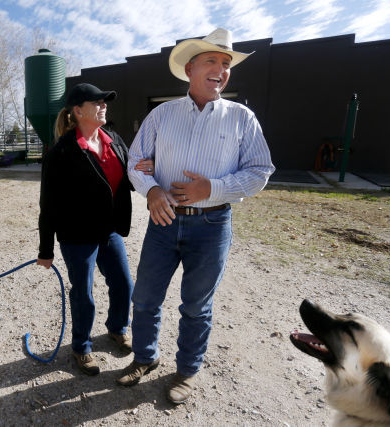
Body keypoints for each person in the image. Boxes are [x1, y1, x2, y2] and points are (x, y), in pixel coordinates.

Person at [117, 28, 275, 404]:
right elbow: (136, 165)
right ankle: (144, 358)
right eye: (212, 61)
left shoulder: (242, 119)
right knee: (146, 297)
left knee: (196, 305)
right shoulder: (161, 114)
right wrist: (153, 189)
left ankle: (187, 371)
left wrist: (213, 189)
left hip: (212, 224)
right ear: (190, 68)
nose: (221, 70)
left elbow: (260, 172)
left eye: (226, 64)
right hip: (164, 220)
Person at [37, 83, 153, 376]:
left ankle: (117, 328)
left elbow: (129, 176)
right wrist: (46, 250)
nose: (104, 106)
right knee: (84, 293)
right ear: (77, 111)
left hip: (109, 230)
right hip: (77, 236)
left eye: (105, 102)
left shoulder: (114, 140)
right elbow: (48, 205)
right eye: (97, 102)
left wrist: (149, 171)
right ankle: (81, 347)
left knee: (124, 284)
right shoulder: (61, 153)